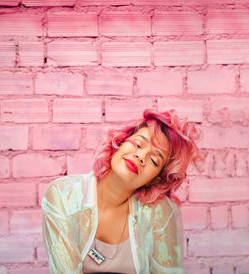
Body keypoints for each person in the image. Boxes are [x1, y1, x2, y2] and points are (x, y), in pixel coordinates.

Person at [41, 109, 202, 274]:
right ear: (120, 142)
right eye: (138, 144)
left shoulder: (160, 212)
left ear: (156, 179)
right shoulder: (63, 195)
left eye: (154, 160)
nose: (141, 156)